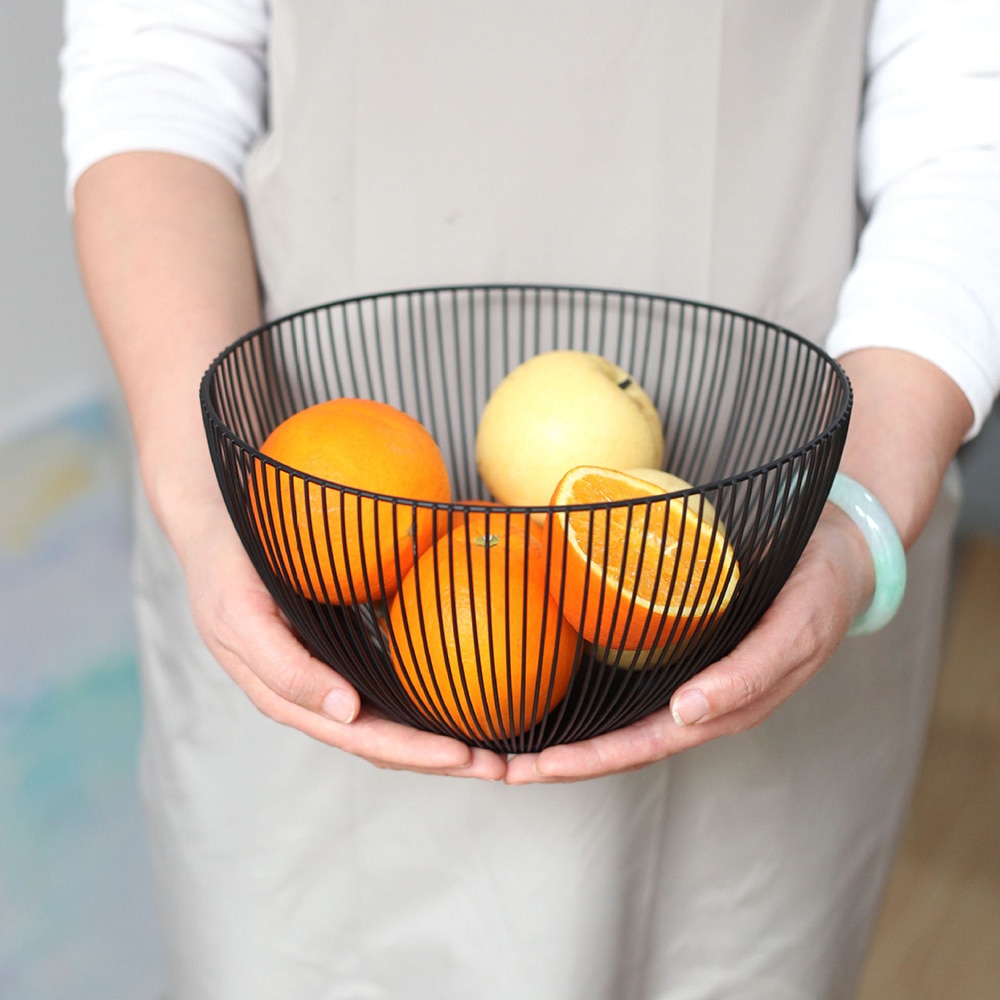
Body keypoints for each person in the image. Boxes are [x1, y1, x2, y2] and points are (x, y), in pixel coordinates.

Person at [61, 1, 1000, 997]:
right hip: (304, 528)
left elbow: (968, 123)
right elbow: (156, 61)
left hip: (769, 516)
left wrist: (854, 516)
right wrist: (213, 510)